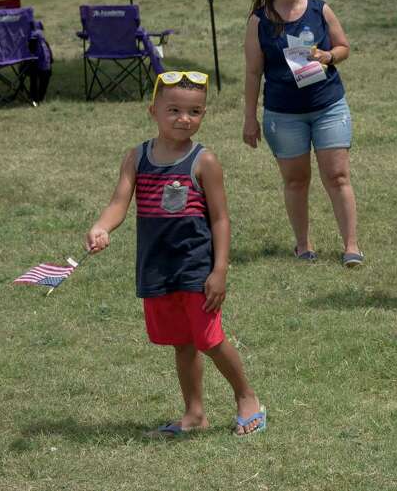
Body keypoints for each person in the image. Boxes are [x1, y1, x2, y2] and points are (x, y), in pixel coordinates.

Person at [85, 71, 265, 437]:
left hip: (196, 269)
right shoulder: (136, 158)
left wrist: (220, 270)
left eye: (194, 111)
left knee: (210, 339)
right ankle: (194, 414)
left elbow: (220, 219)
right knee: (182, 343)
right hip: (156, 267)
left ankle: (247, 398)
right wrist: (101, 227)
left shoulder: (204, 161)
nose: (185, 119)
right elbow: (119, 203)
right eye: (174, 110)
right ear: (153, 110)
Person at [243, 0, 363, 267]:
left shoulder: (320, 9)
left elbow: (344, 47)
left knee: (338, 176)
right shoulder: (258, 21)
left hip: (328, 106)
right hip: (283, 114)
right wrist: (249, 118)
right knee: (296, 181)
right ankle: (303, 245)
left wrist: (328, 55)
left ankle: (351, 246)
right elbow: (253, 73)